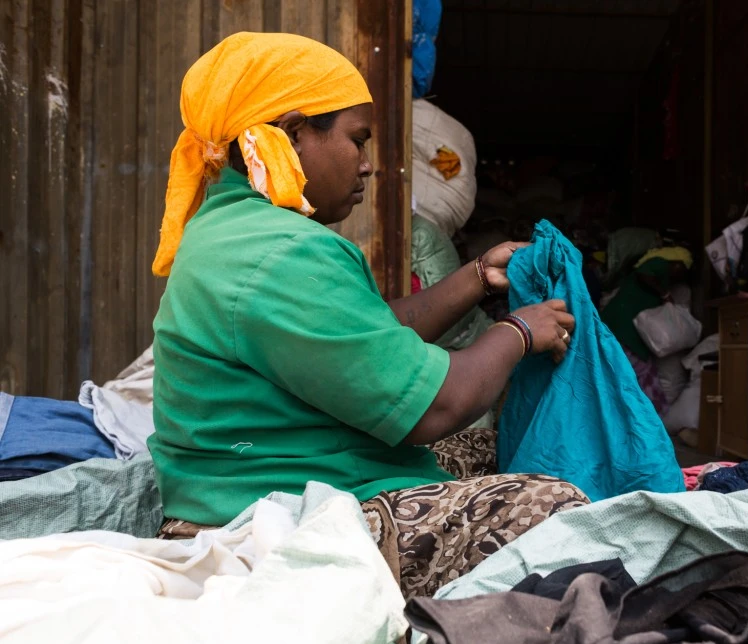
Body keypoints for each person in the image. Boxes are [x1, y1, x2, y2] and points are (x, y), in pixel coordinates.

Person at [148, 32, 587, 599]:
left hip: (244, 489)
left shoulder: (233, 231)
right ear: (294, 133)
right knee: (556, 506)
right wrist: (520, 331)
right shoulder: (281, 251)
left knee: (484, 450)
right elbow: (436, 406)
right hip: (261, 526)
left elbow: (366, 339)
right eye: (357, 140)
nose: (366, 165)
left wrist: (478, 277)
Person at [599, 246, 692, 412]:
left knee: (635, 371)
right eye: (684, 270)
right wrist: (663, 294)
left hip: (623, 326)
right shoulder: (659, 263)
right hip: (623, 326)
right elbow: (644, 274)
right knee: (640, 371)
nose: (682, 276)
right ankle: (653, 416)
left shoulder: (662, 273)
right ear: (677, 263)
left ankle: (650, 417)